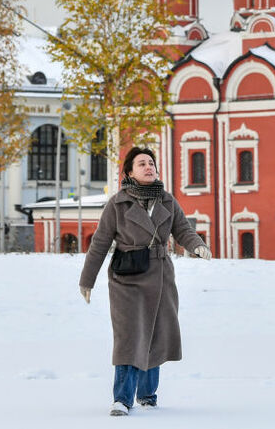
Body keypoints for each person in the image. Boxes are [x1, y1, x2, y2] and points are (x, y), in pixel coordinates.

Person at [79, 146, 211, 416]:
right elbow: (100, 243)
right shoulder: (117, 204)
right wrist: (87, 280)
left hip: (160, 276)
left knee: (156, 334)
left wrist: (197, 245)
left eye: (151, 163)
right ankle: (122, 399)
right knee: (129, 337)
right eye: (142, 164)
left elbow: (183, 230)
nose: (149, 167)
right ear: (129, 172)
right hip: (126, 279)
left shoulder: (167, 200)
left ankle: (148, 396)